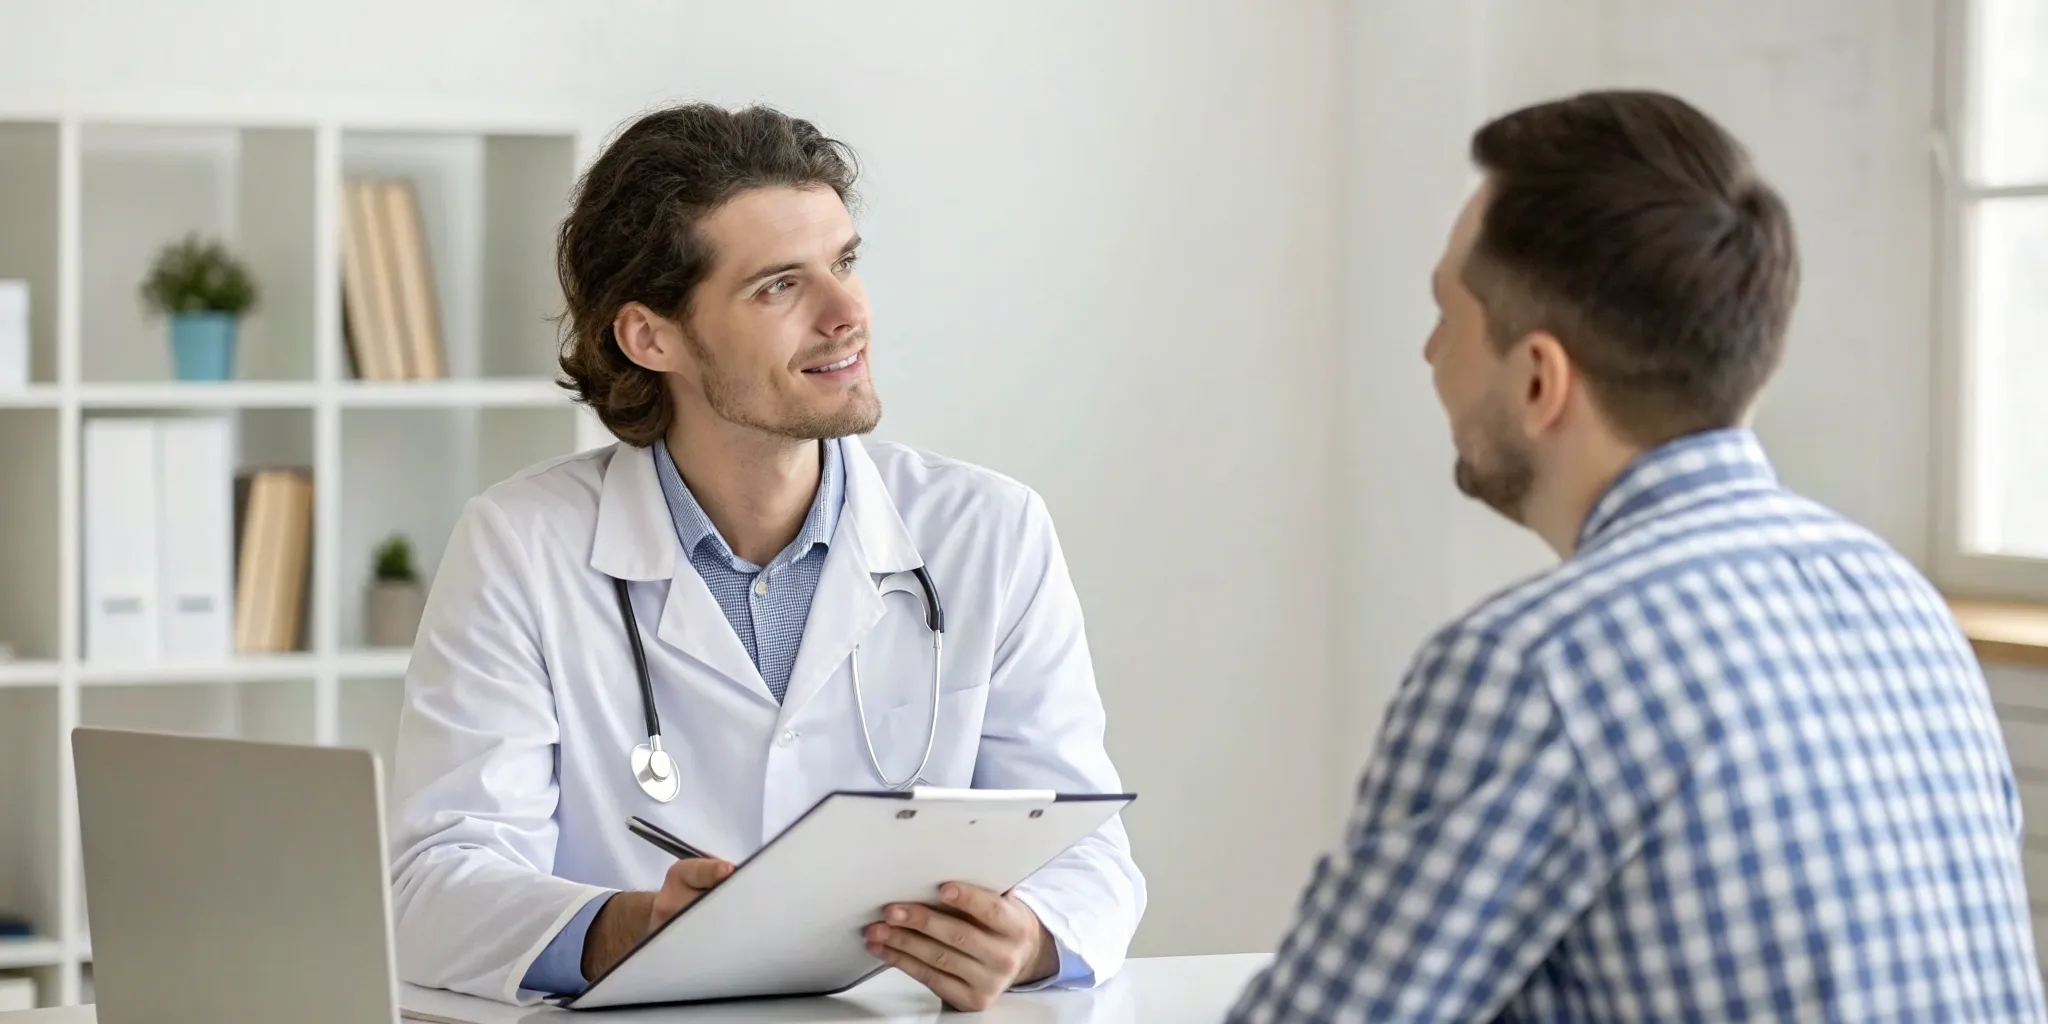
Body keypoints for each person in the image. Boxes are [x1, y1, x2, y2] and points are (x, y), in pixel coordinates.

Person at [1227, 90, 2047, 1022]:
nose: (1426, 351)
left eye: (1446, 313)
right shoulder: (1899, 602)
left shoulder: (1532, 669)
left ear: (1539, 379)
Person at [385, 103, 1144, 1011]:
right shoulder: (522, 544)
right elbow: (433, 885)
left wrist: (1027, 941)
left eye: (846, 262)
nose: (847, 313)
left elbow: (1086, 848)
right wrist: (628, 929)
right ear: (649, 336)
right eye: (780, 285)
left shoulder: (988, 530)